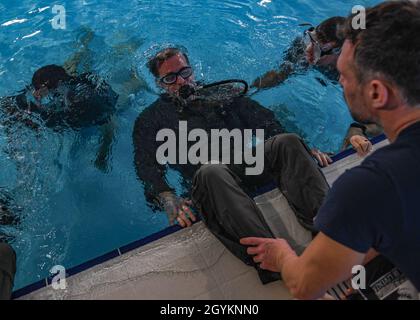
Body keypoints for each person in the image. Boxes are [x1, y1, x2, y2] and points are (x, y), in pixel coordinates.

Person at [240, 0, 420, 298]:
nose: (341, 82)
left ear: (376, 92)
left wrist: (282, 256)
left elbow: (303, 285)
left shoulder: (371, 186)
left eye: (345, 74)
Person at [133, 47, 332, 284]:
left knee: (288, 142)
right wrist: (166, 196)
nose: (181, 81)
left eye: (185, 72)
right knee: (211, 169)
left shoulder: (221, 94)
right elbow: (146, 165)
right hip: (210, 183)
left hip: (244, 165)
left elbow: (264, 120)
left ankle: (332, 237)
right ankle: (273, 264)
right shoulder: (150, 120)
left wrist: (304, 149)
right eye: (170, 78)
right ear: (159, 84)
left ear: (192, 70)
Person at [252, 16, 383, 157]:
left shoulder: (363, 71)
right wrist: (248, 88)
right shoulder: (307, 48)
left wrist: (359, 129)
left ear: (340, 52)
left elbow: (388, 116)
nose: (308, 51)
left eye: (318, 50)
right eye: (310, 39)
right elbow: (279, 74)